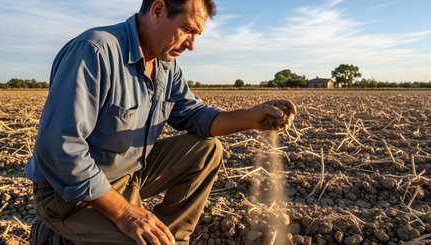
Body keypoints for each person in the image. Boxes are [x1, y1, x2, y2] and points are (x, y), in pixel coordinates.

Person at [26, 0, 297, 244]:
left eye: (197, 35)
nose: (192, 44)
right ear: (158, 11)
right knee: (134, 236)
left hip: (126, 176)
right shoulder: (95, 51)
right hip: (68, 195)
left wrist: (254, 118)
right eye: (188, 30)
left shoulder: (166, 65)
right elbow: (59, 148)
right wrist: (124, 213)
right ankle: (52, 237)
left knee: (206, 150)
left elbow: (194, 115)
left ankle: (170, 240)